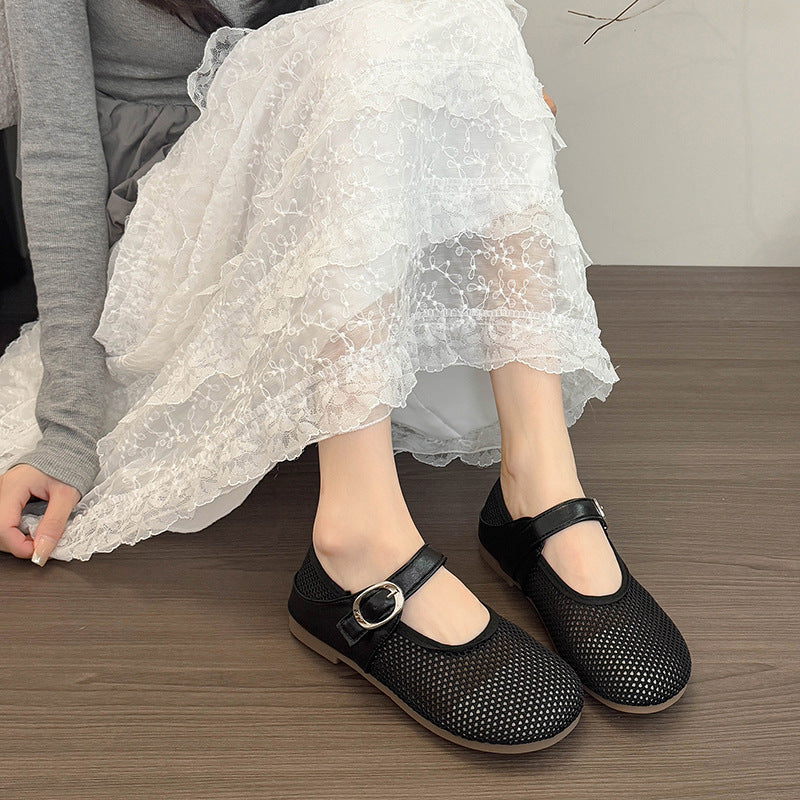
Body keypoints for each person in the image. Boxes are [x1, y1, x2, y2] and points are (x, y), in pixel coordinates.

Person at [0, 0, 690, 752]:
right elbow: (59, 152)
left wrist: (482, 93)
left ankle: (539, 489)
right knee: (375, 35)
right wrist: (69, 424)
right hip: (175, 244)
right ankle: (358, 536)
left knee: (468, 19)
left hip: (336, 206)